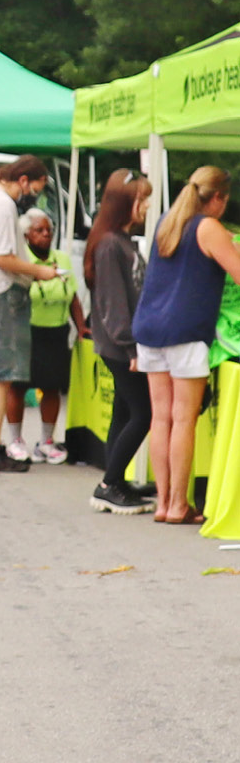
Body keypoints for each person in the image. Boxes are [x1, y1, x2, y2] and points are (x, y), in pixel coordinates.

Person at [132, 165, 240, 523]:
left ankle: (164, 504)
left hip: (149, 330)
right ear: (219, 199)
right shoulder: (209, 227)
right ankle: (180, 504)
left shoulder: (169, 220)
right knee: (183, 420)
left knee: (161, 419)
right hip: (186, 331)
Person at [0, 156, 62, 473]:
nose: (32, 196)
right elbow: (1, 257)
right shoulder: (3, 205)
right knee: (0, 376)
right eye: (34, 189)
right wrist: (39, 271)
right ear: (22, 180)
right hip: (3, 294)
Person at [82, 169, 154, 514]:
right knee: (143, 413)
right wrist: (131, 348)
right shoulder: (111, 244)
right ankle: (108, 483)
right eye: (142, 198)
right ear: (127, 203)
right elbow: (114, 305)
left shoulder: (120, 241)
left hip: (121, 345)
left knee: (124, 413)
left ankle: (116, 479)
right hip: (120, 347)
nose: (146, 205)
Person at [2, 208, 85, 464]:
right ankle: (15, 440)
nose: (46, 234)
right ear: (26, 235)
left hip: (56, 331)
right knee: (17, 386)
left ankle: (46, 442)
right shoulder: (20, 260)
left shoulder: (62, 258)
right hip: (26, 330)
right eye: (39, 230)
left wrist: (80, 327)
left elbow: (72, 296)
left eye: (49, 229)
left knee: (51, 386)